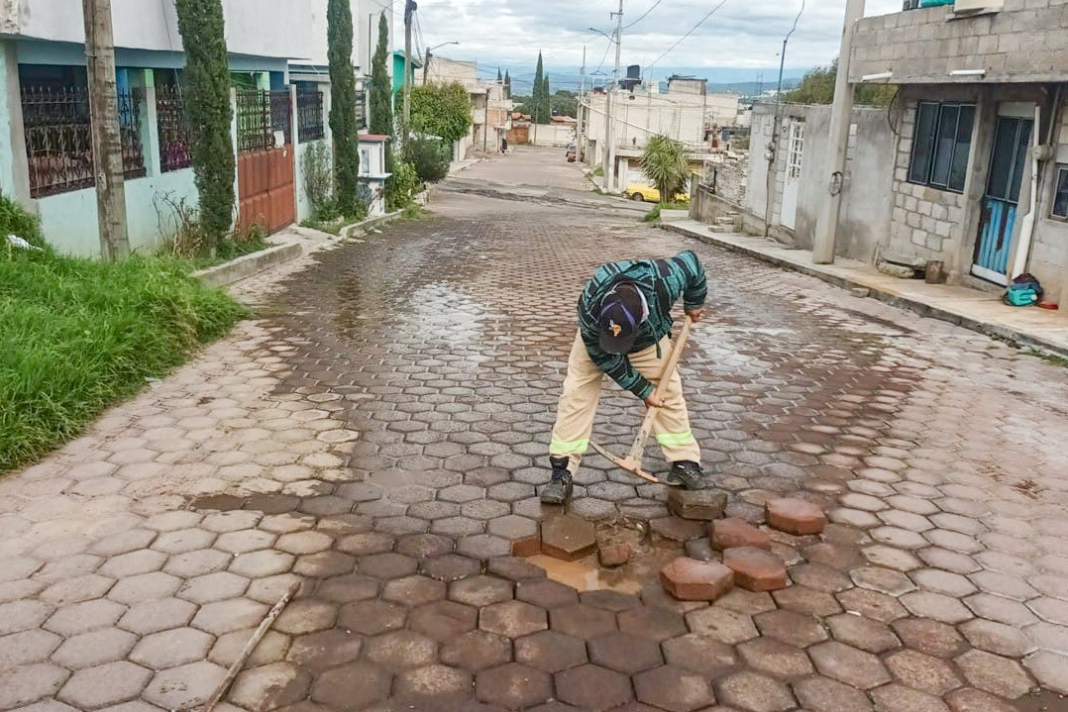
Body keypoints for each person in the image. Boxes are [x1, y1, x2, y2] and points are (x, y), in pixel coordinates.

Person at [541, 250, 708, 505]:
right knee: (576, 394)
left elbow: (694, 264)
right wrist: (642, 390)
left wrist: (694, 304)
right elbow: (606, 358)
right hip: (595, 343)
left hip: (647, 341)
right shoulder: (590, 305)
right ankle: (561, 470)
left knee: (668, 393)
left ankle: (684, 461)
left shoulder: (666, 278)